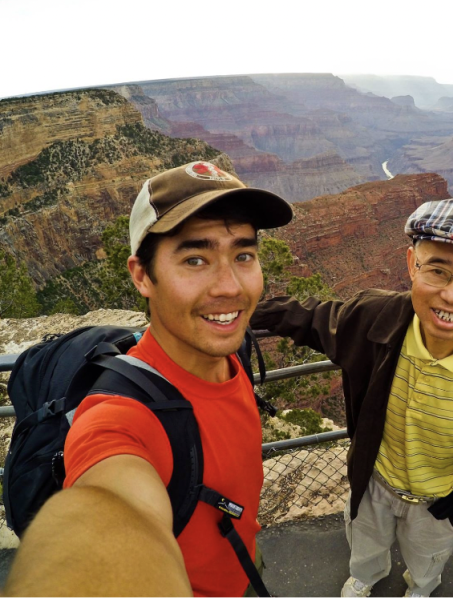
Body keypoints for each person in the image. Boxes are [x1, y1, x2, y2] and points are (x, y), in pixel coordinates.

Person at [4, 161, 293, 596]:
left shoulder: (233, 356)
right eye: (195, 259)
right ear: (142, 275)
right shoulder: (121, 418)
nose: (230, 286)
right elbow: (108, 510)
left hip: (241, 567)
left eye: (243, 255)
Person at [250, 198, 453, 598]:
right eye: (437, 270)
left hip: (440, 499)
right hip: (375, 483)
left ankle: (420, 588)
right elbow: (312, 317)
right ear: (410, 264)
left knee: (428, 560)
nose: (452, 296)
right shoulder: (374, 317)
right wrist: (240, 311)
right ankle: (365, 578)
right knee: (365, 546)